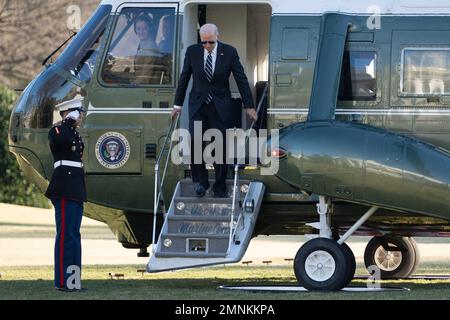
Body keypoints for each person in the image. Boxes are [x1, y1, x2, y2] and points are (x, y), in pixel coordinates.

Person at [172, 23, 258, 198]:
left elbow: (241, 79)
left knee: (219, 146)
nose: (207, 46)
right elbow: (184, 77)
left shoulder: (229, 52)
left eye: (210, 42)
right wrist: (177, 105)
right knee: (195, 141)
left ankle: (219, 186)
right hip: (198, 105)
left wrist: (249, 106)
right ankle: (201, 183)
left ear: (217, 37)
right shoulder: (192, 51)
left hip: (220, 105)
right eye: (204, 42)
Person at [45, 96, 86, 292]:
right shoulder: (58, 130)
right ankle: (62, 282)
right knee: (65, 236)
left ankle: (73, 281)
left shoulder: (75, 135)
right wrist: (68, 120)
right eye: (78, 112)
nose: (81, 116)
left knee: (74, 236)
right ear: (67, 113)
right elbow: (57, 137)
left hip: (75, 188)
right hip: (63, 187)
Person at [133, 15, 160, 84]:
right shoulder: (142, 44)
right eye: (138, 29)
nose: (141, 32)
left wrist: (134, 84)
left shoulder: (151, 47)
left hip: (147, 87)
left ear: (149, 29)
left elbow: (146, 75)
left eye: (145, 28)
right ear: (135, 30)